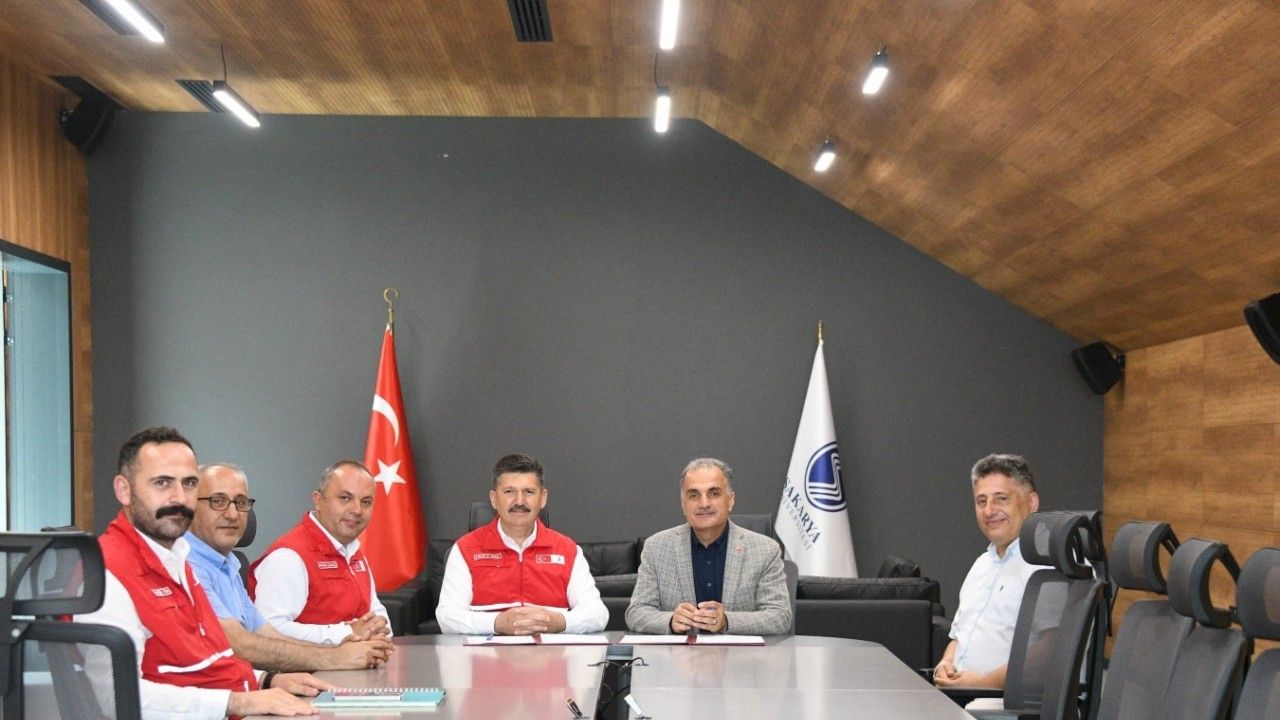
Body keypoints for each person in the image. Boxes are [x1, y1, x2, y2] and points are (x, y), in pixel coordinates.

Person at [77, 426, 325, 718]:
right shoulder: (106, 574)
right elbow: (116, 697)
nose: (179, 498)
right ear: (124, 490)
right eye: (162, 483)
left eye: (189, 483)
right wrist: (238, 702)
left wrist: (265, 681)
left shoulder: (177, 559)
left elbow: (206, 661)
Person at [186, 463, 395, 670]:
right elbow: (239, 644)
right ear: (189, 507)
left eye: (240, 502)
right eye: (218, 501)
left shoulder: (228, 564)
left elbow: (266, 635)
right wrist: (337, 654)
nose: (233, 514)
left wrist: (344, 649)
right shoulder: (185, 565)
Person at [435, 453, 608, 635]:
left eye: (529, 492)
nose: (519, 501)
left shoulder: (567, 550)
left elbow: (597, 614)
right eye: (509, 492)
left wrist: (557, 622)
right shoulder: (465, 549)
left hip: (551, 651)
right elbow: (447, 616)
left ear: (542, 498)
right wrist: (496, 623)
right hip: (487, 651)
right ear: (494, 499)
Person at [625, 458, 792, 636]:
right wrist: (670, 620)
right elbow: (636, 612)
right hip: (679, 653)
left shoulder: (765, 550)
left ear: (730, 500)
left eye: (714, 493)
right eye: (694, 495)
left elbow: (780, 616)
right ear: (683, 505)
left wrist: (727, 621)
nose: (704, 504)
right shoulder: (656, 549)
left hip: (739, 653)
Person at [250, 460, 393, 644]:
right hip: (305, 664)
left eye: (366, 502)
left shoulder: (353, 551)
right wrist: (346, 633)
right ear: (318, 501)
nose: (357, 510)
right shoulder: (288, 556)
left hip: (356, 659)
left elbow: (375, 610)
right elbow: (269, 630)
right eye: (345, 498)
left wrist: (378, 630)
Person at [934, 453, 1042, 690]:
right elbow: (959, 637)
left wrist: (982, 684)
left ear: (1032, 503)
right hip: (961, 697)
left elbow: (1052, 651)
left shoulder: (1048, 565)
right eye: (981, 501)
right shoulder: (982, 565)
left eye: (1001, 499)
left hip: (1007, 703)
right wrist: (946, 663)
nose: (989, 510)